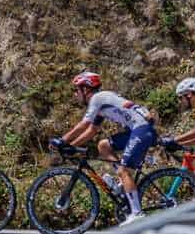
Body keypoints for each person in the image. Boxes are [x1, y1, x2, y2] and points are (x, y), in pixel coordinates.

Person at [57, 69, 157, 220]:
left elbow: (84, 124)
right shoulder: (101, 102)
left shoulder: (97, 98)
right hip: (138, 129)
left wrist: (63, 140)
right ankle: (122, 182)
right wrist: (72, 146)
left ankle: (137, 213)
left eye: (76, 90)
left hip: (141, 129)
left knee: (124, 170)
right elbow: (92, 130)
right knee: (103, 145)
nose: (75, 94)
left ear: (86, 88)